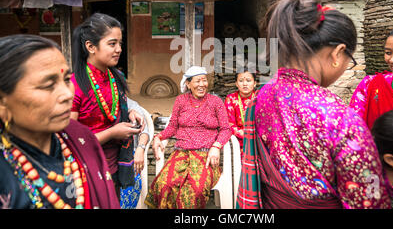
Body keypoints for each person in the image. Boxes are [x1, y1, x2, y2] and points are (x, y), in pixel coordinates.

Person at [236, 0, 390, 209]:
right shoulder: (341, 118)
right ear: (338, 53)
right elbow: (367, 201)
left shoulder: (262, 95)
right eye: (349, 60)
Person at [0, 34, 119, 209]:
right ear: (3, 102)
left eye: (66, 80)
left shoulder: (80, 138)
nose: (67, 94)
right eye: (48, 85)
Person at [70, 13, 144, 199]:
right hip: (85, 170)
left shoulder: (116, 77)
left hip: (114, 166)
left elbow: (118, 109)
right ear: (91, 47)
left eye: (120, 43)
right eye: (112, 44)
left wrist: (131, 113)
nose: (119, 49)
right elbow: (70, 142)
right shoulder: (74, 86)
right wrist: (112, 133)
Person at [146, 66, 232, 209]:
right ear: (188, 84)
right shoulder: (181, 101)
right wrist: (158, 137)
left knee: (195, 190)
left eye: (204, 80)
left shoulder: (215, 102)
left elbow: (225, 129)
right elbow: (172, 126)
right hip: (181, 153)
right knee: (163, 185)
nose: (202, 84)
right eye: (197, 81)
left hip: (205, 154)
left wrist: (216, 147)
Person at [224, 71, 257, 153]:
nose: (245, 84)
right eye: (241, 81)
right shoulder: (231, 99)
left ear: (255, 83)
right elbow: (229, 124)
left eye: (248, 80)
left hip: (258, 139)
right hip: (239, 141)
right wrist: (245, 134)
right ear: (236, 84)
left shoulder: (259, 97)